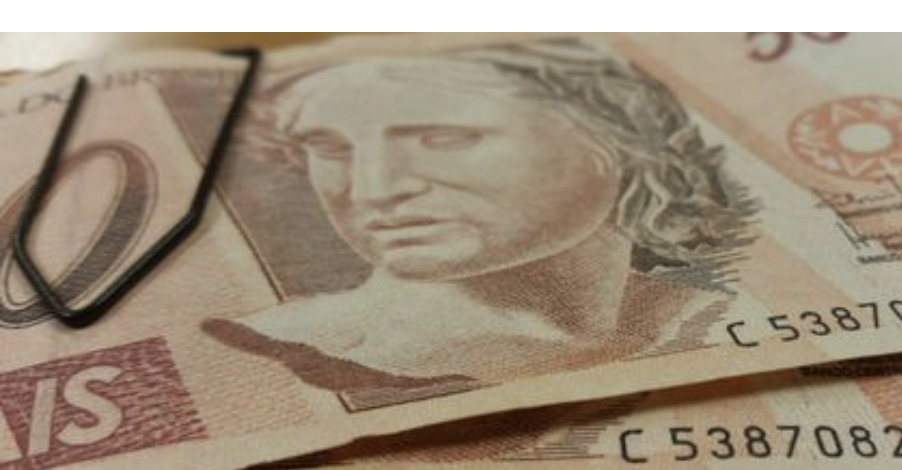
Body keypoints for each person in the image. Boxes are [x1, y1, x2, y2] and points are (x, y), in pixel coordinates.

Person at [204, 40, 758, 395]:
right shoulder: (274, 353)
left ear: (622, 139)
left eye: (444, 138)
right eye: (329, 148)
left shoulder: (718, 316)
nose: (375, 189)